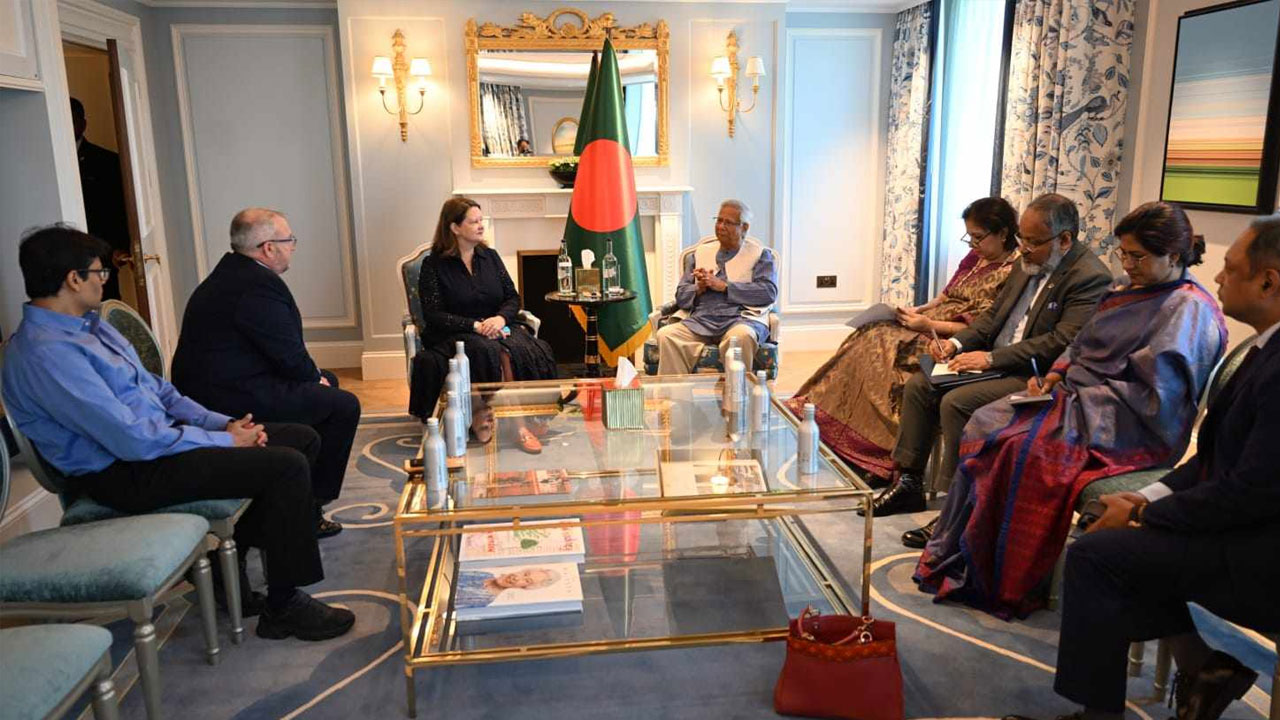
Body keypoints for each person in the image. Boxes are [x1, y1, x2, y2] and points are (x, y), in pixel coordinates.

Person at [1, 225, 354, 641]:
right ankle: (284, 606)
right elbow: (131, 439)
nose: (104, 280)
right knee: (285, 466)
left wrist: (220, 424)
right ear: (73, 279)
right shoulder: (47, 353)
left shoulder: (90, 327)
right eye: (99, 272)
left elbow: (160, 391)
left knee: (300, 438)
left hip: (154, 448)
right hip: (120, 474)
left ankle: (227, 563)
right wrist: (227, 442)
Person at [1003, 215, 1280, 720]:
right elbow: (1213, 461)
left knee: (1096, 557)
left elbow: (1251, 493)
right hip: (1245, 527)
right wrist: (1144, 499)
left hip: (1261, 554)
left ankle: (1102, 713)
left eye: (1230, 267)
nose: (1217, 276)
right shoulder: (1266, 349)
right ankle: (1204, 669)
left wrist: (1142, 517)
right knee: (1117, 540)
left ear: (1268, 282)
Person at [913, 201, 1227, 619]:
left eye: (1137, 257)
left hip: (1128, 423)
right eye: (1124, 253)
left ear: (1173, 256)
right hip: (1080, 398)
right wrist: (1056, 377)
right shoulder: (1127, 288)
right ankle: (962, 543)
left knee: (1020, 446)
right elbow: (1079, 344)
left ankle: (1007, 571)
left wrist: (1080, 395)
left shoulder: (1186, 310)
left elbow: (1158, 399)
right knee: (986, 420)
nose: (1126, 265)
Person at [868, 193, 1113, 524]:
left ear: (1065, 239)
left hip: (1034, 375)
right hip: (996, 363)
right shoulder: (1028, 263)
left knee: (956, 402)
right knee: (919, 386)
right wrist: (955, 344)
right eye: (1022, 238)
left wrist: (991, 359)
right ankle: (909, 482)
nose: (1023, 248)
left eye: (1033, 241)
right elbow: (993, 317)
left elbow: (1060, 342)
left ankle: (958, 505)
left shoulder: (1089, 276)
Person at [786, 197, 1019, 481]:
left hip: (955, 338)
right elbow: (944, 297)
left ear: (1003, 233)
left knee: (882, 344)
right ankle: (832, 424)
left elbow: (985, 326)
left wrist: (928, 324)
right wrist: (917, 311)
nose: (972, 244)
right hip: (930, 323)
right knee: (869, 332)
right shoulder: (975, 258)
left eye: (978, 237)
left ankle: (874, 448)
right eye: (969, 237)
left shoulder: (1015, 271)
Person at [171, 208, 359, 539]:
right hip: (228, 396)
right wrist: (313, 377)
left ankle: (305, 495)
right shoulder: (256, 286)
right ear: (269, 248)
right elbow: (288, 354)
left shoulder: (234, 274)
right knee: (342, 404)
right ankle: (308, 507)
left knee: (327, 384)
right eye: (290, 240)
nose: (293, 247)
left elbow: (277, 349)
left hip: (224, 382)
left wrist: (315, 376)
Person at [408, 197, 558, 453]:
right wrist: (476, 326)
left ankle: (529, 414)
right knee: (491, 350)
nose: (481, 226)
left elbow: (512, 297)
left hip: (496, 326)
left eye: (481, 220)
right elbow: (433, 314)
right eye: (473, 221)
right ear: (454, 227)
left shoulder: (490, 257)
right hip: (455, 332)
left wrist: (500, 319)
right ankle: (513, 424)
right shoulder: (433, 265)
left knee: (529, 347)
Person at [655, 199, 779, 375]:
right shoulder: (699, 253)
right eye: (719, 220)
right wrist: (698, 288)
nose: (721, 226)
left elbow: (768, 292)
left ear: (744, 227)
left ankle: (735, 392)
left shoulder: (760, 255)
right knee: (667, 335)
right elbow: (681, 296)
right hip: (701, 321)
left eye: (728, 222)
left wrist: (725, 287)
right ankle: (677, 392)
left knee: (742, 336)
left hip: (741, 319)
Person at [71, 98, 130, 301]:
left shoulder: (107, 161)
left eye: (73, 120)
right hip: (65, 251)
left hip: (102, 250)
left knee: (105, 304)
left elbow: (121, 207)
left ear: (83, 124)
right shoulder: (44, 159)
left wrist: (121, 247)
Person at [455, 567, 562, 609]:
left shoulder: (485, 598)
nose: (517, 578)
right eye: (525, 574)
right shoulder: (486, 574)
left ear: (524, 587)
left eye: (526, 581)